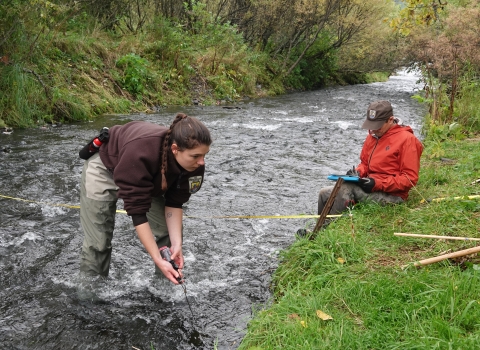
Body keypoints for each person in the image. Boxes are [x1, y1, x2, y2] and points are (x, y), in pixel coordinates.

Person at [79, 113, 212, 284]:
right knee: (99, 243)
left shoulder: (195, 164)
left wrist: (177, 245)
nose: (202, 162)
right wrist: (156, 258)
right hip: (105, 167)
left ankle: (165, 285)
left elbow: (174, 203)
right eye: (196, 156)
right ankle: (89, 295)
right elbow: (138, 213)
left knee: (167, 235)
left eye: (204, 155)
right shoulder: (142, 152)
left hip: (149, 177)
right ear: (175, 149)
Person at [316, 100, 423, 221]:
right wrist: (358, 173)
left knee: (346, 188)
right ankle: (317, 228)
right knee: (324, 193)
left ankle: (326, 229)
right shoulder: (372, 136)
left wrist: (377, 184)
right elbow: (365, 164)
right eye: (371, 125)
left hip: (393, 196)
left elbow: (409, 179)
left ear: (390, 119)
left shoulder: (408, 140)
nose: (373, 130)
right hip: (370, 188)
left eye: (377, 126)